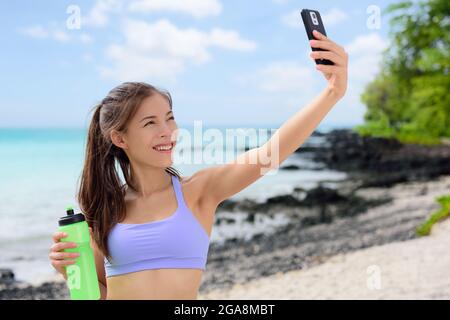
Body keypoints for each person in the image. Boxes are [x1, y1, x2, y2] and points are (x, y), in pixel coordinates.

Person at [49, 30, 348, 300]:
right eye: (150, 123)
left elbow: (270, 153)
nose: (167, 131)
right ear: (119, 137)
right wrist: (71, 273)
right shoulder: (106, 209)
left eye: (169, 118)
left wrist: (332, 92)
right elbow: (98, 294)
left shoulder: (198, 192)